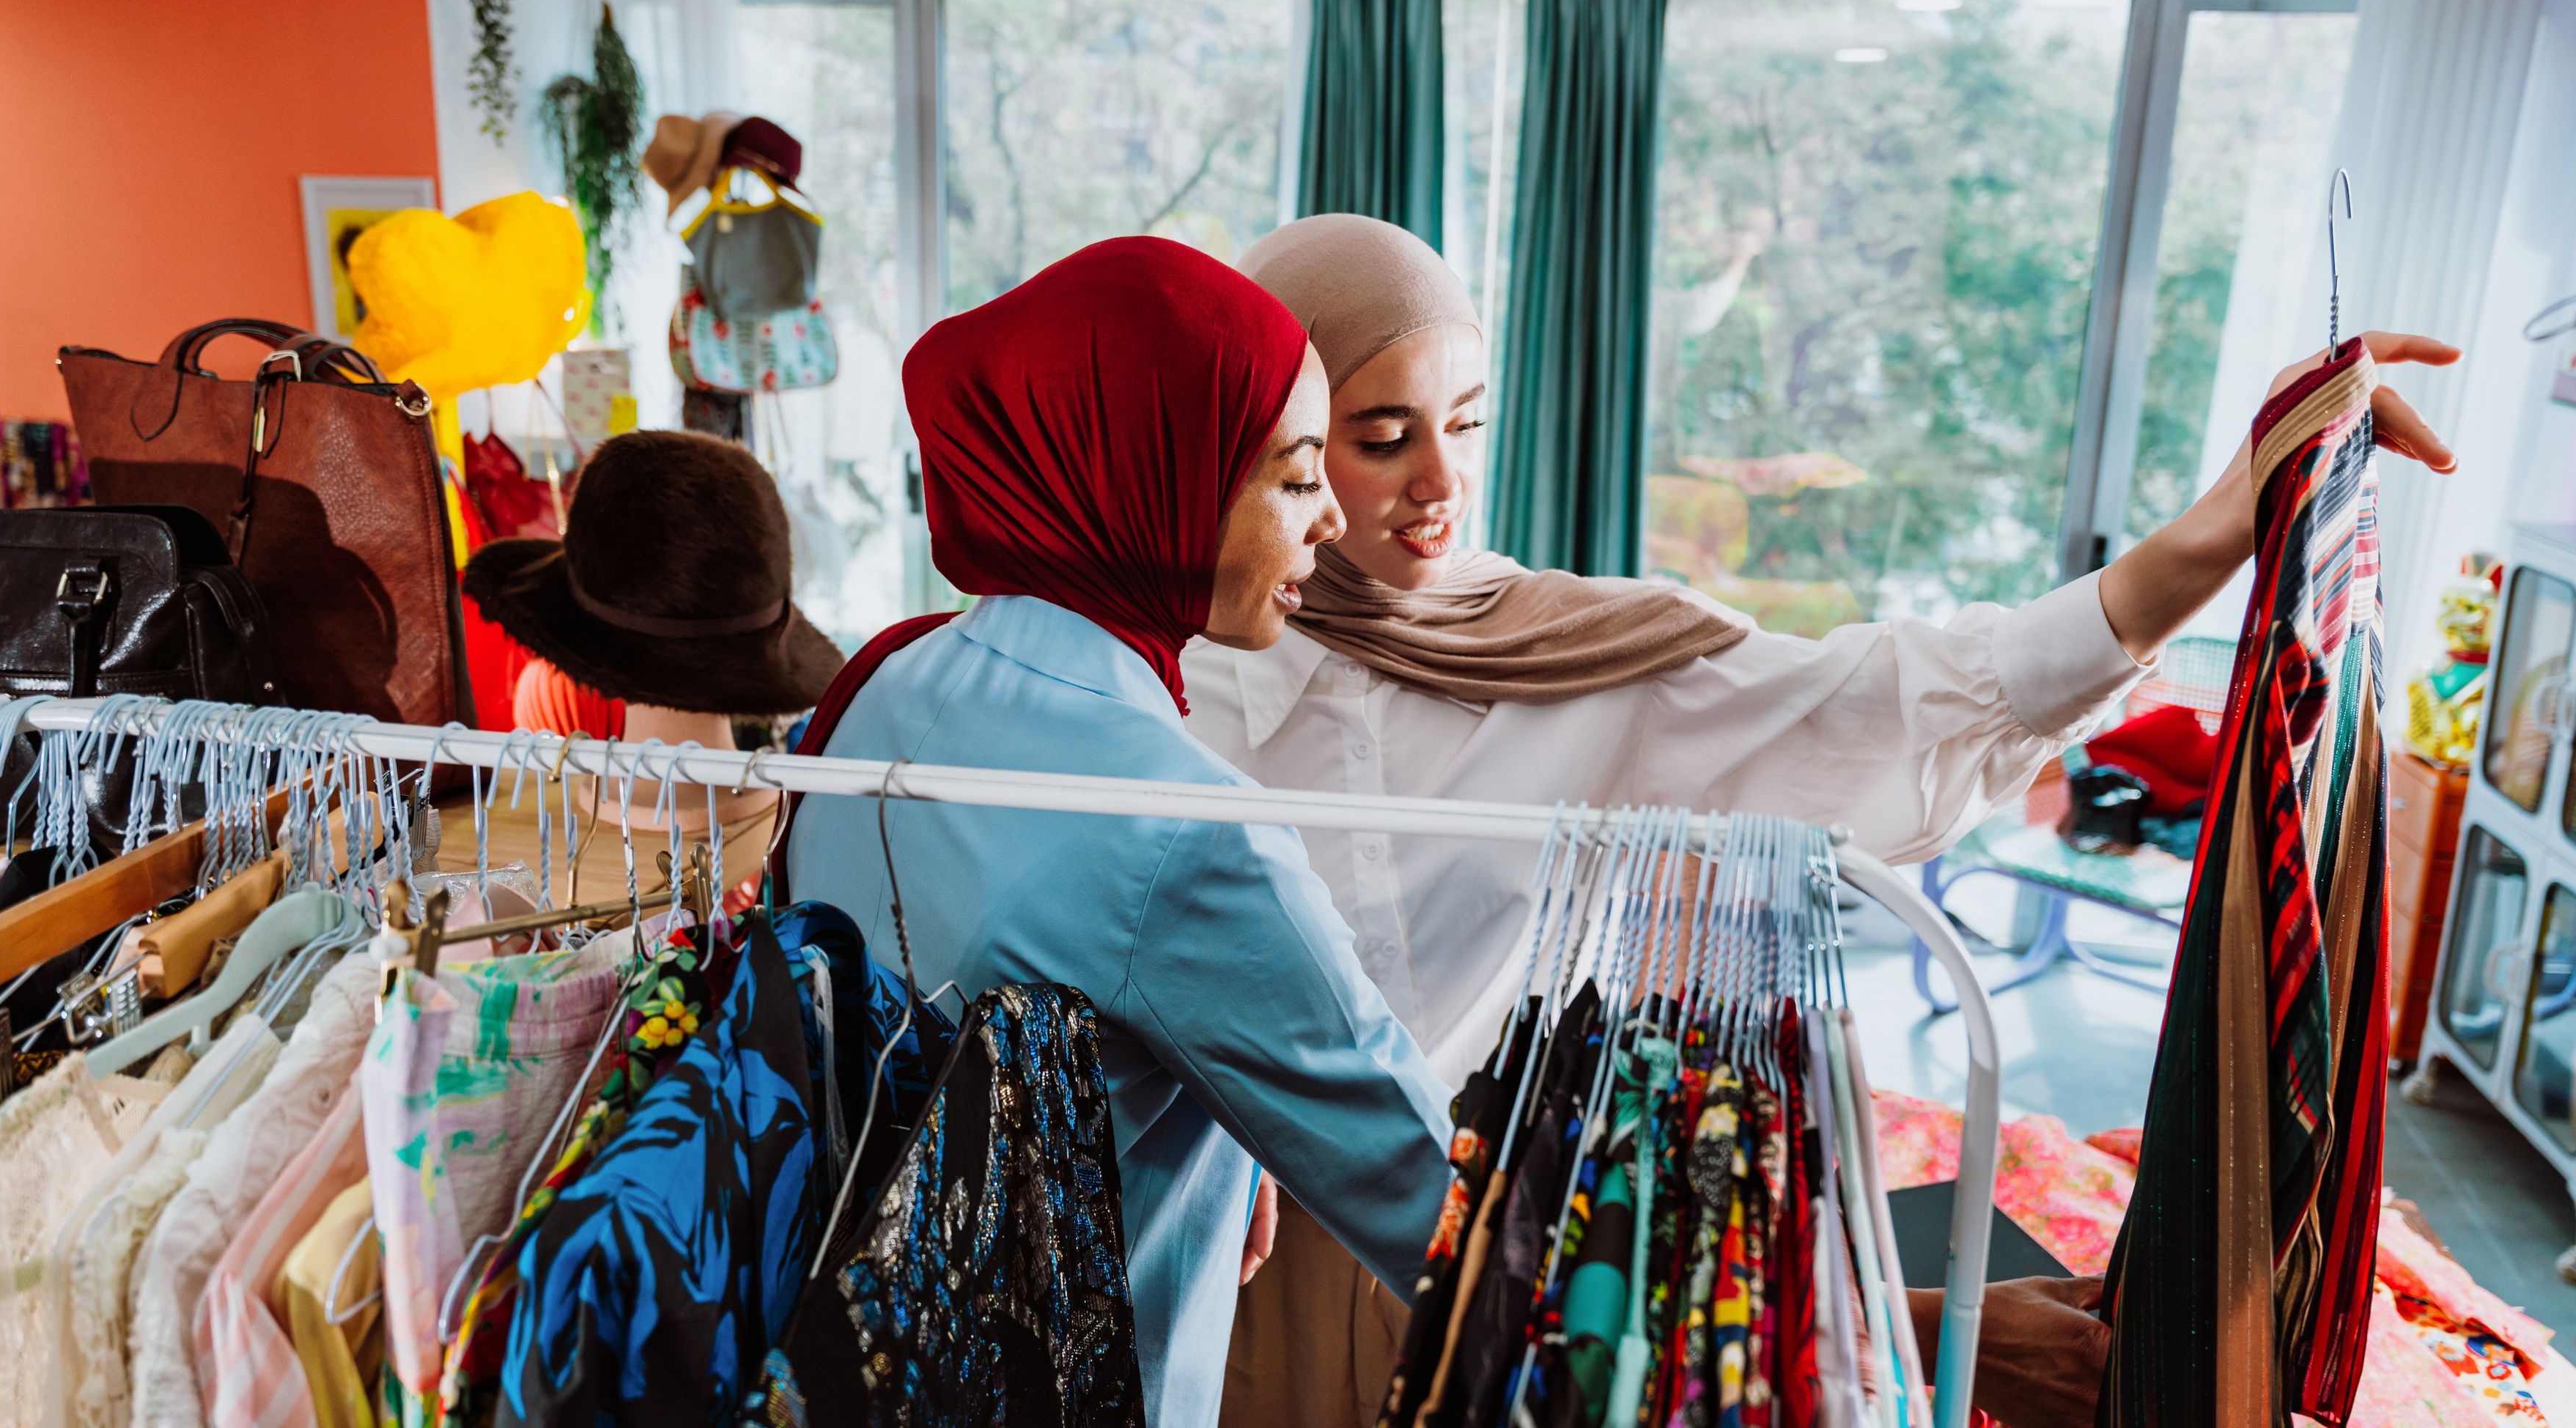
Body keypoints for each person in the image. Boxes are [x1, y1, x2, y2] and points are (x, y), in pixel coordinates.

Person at [1194, 213, 2459, 1428]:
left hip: (1491, 1251)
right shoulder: (1172, 683)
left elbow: (1879, 698)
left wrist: (2217, 530)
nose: (1441, 482)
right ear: (1276, 440)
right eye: (1380, 436)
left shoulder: (1567, 654)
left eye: (1466, 424)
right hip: (1231, 1266)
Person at [783, 236, 1450, 1428]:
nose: (1335, 523)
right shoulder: (1186, 833)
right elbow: (1435, 1212)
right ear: (1160, 474)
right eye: (1298, 478)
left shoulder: (889, 679)